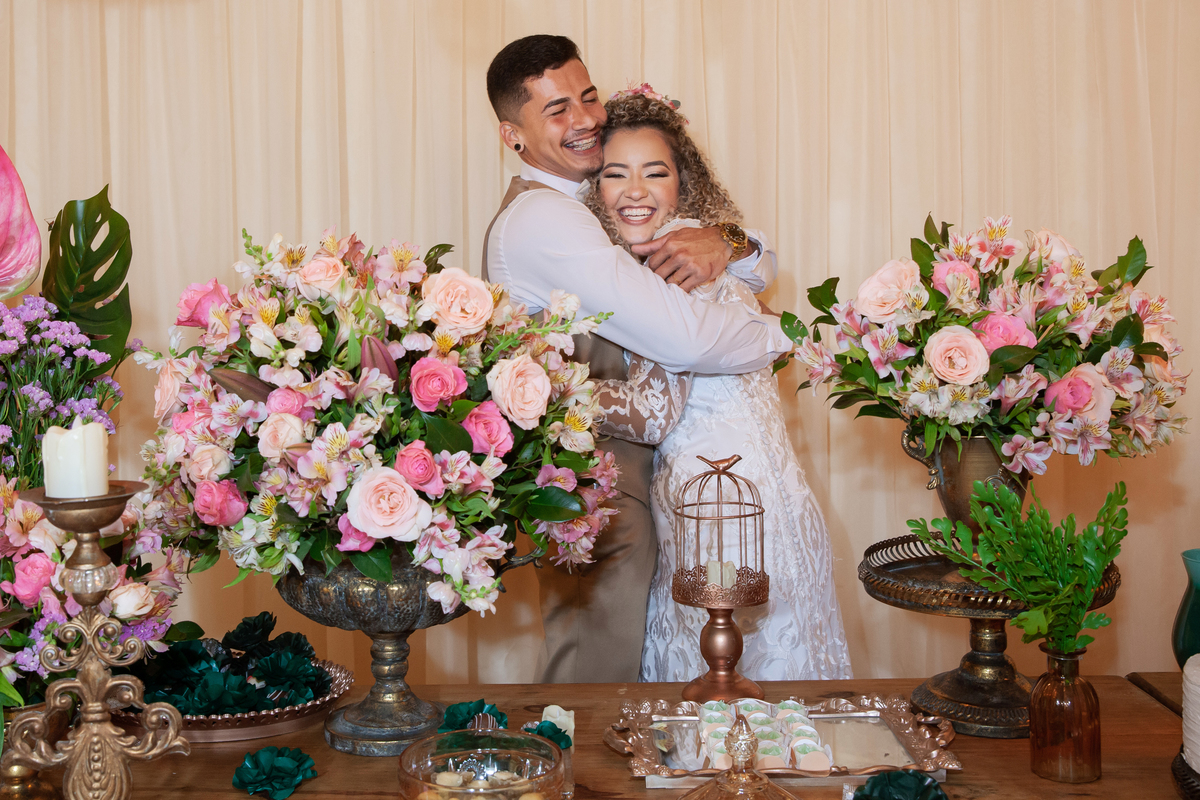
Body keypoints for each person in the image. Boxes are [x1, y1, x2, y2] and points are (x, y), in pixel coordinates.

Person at [483, 35, 794, 684]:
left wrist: (725, 240)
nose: (587, 119)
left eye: (589, 97)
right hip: (596, 493)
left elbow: (755, 262)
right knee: (593, 676)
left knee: (646, 677)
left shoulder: (600, 192)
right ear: (514, 136)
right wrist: (776, 336)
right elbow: (682, 338)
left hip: (644, 480)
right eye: (558, 110)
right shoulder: (544, 219)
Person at [582, 87, 853, 681]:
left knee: (721, 674)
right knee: (776, 662)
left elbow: (653, 414)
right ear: (594, 187)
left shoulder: (668, 263)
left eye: (656, 173)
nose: (634, 190)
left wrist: (543, 391)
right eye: (615, 174)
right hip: (765, 489)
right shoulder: (695, 245)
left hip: (720, 498)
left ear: (683, 182)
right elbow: (763, 262)